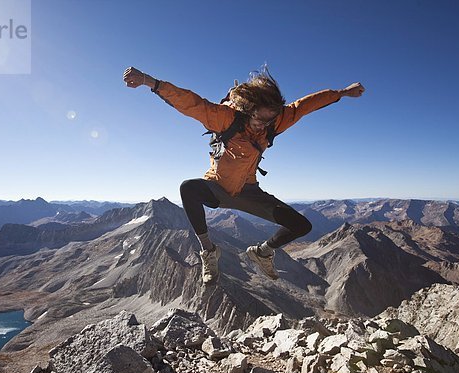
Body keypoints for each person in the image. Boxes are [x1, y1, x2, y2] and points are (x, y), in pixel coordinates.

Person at [123, 65, 365, 284]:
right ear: (249, 109)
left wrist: (342, 93)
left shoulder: (275, 121)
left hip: (249, 192)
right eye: (260, 119)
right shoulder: (225, 118)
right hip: (216, 186)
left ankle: (263, 252)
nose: (265, 125)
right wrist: (149, 81)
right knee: (188, 188)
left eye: (271, 120)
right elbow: (191, 103)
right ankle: (208, 251)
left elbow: (304, 106)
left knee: (301, 225)